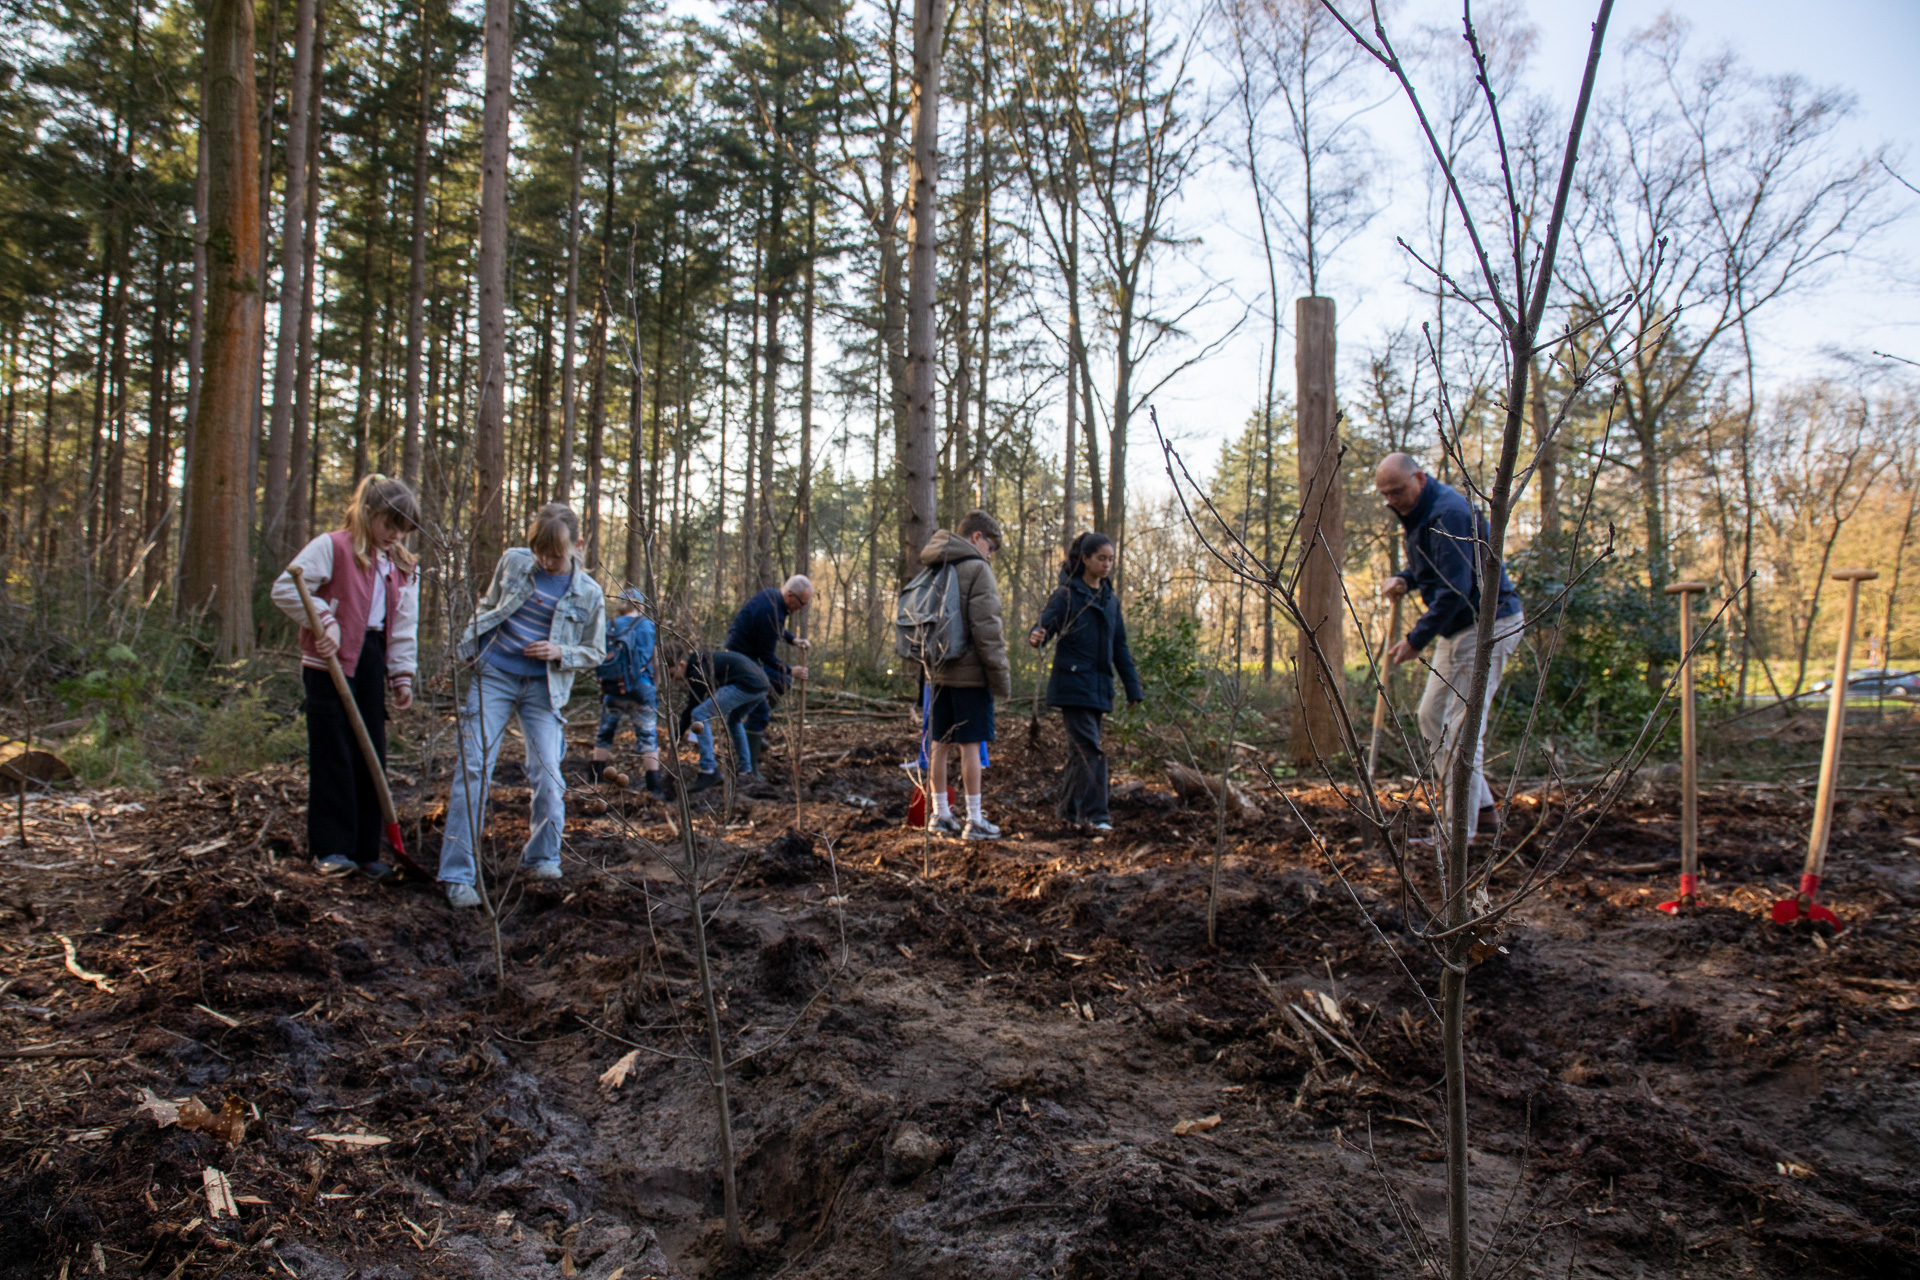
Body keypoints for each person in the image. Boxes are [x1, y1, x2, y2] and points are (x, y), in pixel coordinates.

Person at [438, 505, 606, 907]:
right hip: (493, 676)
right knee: (474, 766)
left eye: (556, 554)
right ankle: (459, 875)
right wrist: (471, 641)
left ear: (578, 545)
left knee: (548, 775)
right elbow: (489, 604)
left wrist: (560, 650)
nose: (547, 561)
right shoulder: (513, 562)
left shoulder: (590, 593)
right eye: (540, 553)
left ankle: (542, 856)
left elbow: (595, 651)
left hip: (543, 689)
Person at [271, 474, 421, 882]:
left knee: (370, 750)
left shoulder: (401, 566)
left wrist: (401, 674)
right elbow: (287, 588)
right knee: (332, 750)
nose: (395, 535)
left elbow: (404, 625)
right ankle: (332, 849)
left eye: (403, 528)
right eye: (389, 524)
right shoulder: (332, 547)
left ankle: (366, 849)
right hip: (329, 663)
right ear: (367, 513)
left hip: (371, 660)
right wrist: (324, 621)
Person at [1375, 452, 1525, 842]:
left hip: (1486, 623)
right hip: (1457, 627)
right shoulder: (1419, 516)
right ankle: (1484, 813)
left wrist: (1415, 639)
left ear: (1419, 479)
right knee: (1430, 717)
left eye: (1397, 491)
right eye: (1386, 495)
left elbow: (1455, 588)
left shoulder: (1449, 514)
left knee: (1461, 733)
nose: (1392, 500)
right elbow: (1435, 568)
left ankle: (1458, 835)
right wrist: (1405, 578)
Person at [1028, 532, 1143, 832]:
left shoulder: (1110, 600)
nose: (1107, 565)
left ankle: (1067, 812)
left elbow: (1120, 647)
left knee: (1080, 754)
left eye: (1111, 560)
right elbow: (1045, 624)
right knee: (1091, 750)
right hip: (1073, 685)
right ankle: (1097, 815)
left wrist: (1133, 687)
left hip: (1099, 686)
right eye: (1101, 559)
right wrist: (1037, 635)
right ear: (1085, 559)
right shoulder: (1066, 595)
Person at [918, 509, 1012, 840]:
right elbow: (988, 629)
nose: (992, 552)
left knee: (939, 743)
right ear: (977, 538)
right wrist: (1000, 676)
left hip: (938, 672)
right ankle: (974, 820)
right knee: (971, 745)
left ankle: (939, 815)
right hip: (970, 675)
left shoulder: (935, 565)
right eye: (992, 545)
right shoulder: (977, 570)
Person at [723, 575, 813, 773]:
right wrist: (792, 670)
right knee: (761, 709)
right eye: (802, 603)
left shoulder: (773, 597)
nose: (802, 608)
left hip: (748, 657)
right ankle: (750, 766)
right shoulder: (772, 611)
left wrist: (793, 640)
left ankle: (754, 728)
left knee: (782, 681)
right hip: (741, 661)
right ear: (790, 595)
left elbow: (775, 630)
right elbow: (767, 656)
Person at [663, 647, 772, 792]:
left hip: (747, 684)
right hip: (761, 684)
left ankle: (709, 771)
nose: (673, 680)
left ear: (681, 664)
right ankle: (746, 771)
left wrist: (677, 735)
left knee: (699, 714)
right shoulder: (700, 662)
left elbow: (691, 709)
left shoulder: (698, 671)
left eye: (672, 674)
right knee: (734, 720)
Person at [592, 588, 666, 799]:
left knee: (604, 733)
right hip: (643, 688)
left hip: (613, 687)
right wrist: (656, 684)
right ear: (641, 605)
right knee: (648, 737)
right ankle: (655, 788)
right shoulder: (649, 626)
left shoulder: (611, 626)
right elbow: (655, 660)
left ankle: (595, 781)